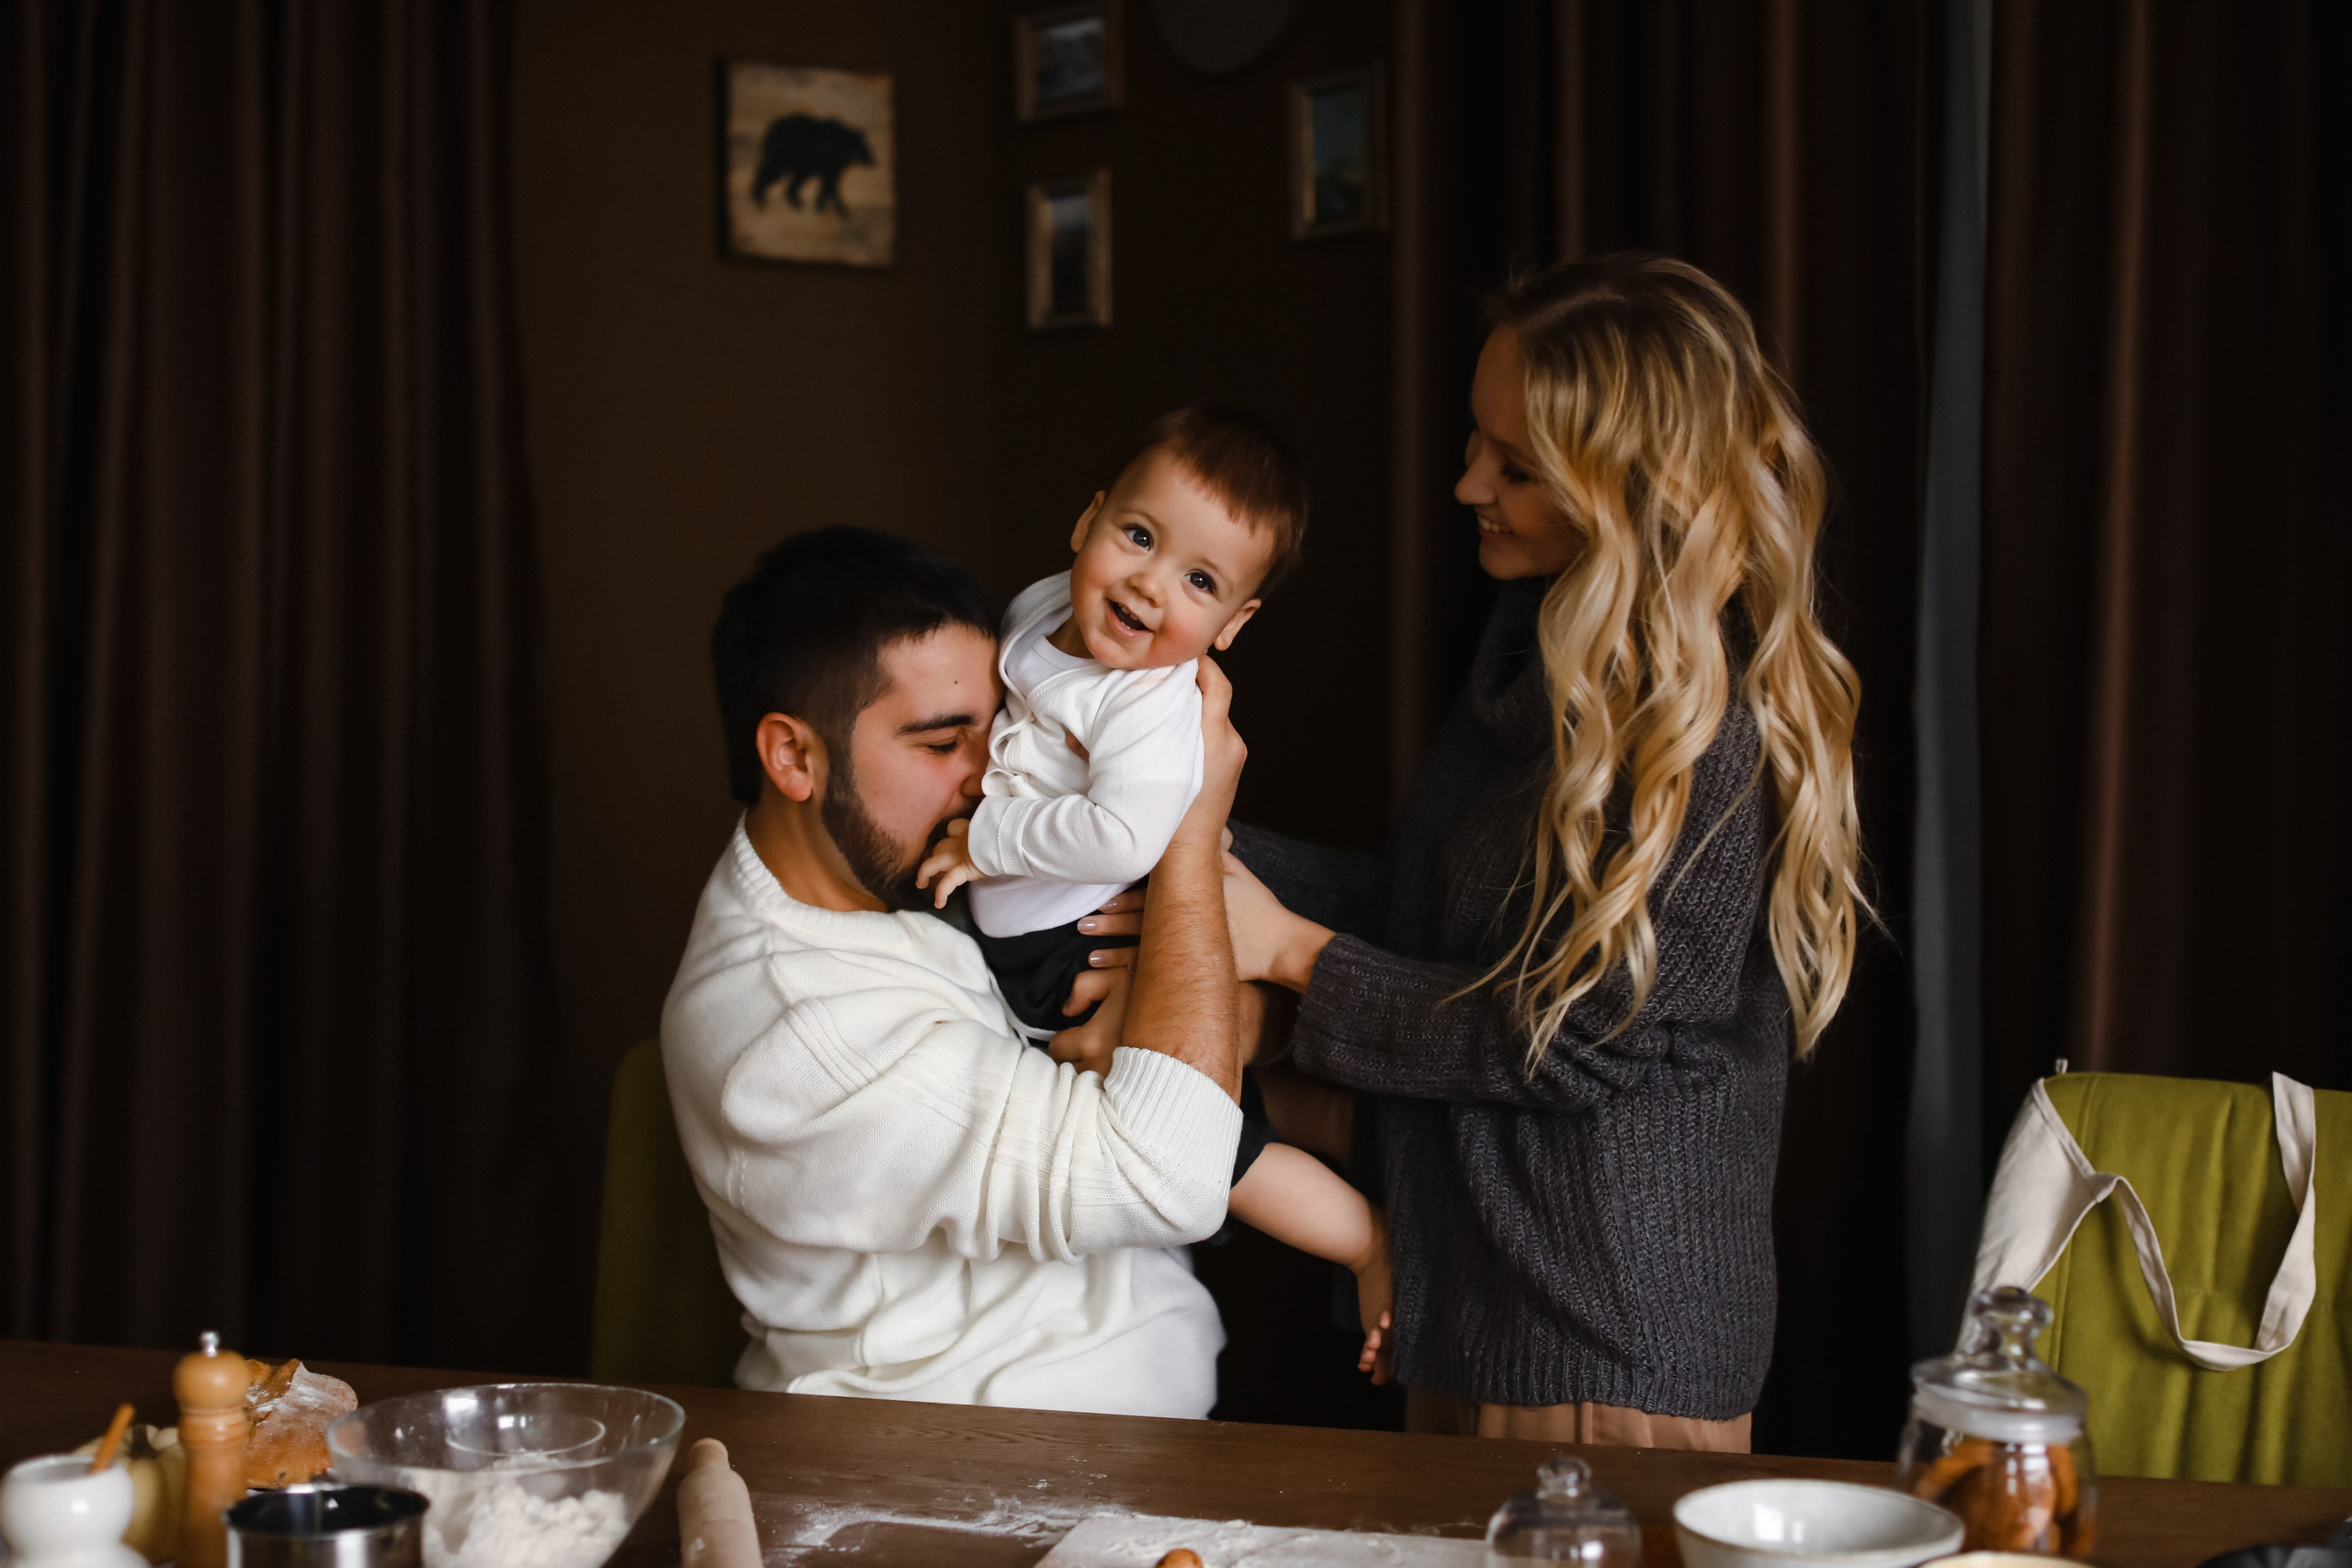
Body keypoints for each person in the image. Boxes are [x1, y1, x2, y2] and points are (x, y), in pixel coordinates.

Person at [1107, 254, 1865, 1445]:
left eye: (1514, 466)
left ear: (1629, 488)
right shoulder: (1538, 644)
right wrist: (1165, 829)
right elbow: (1437, 910)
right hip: (1477, 1290)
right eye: (1477, 440)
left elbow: (1573, 1033)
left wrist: (1296, 952)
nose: (1468, 482)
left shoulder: (1709, 733)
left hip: (1603, 1340)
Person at [659, 527, 1250, 1417]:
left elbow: (1218, 1035)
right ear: (793, 757)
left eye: (998, 729)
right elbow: (1172, 1176)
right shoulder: (801, 1032)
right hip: (966, 1461)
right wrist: (1190, 831)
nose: (995, 777)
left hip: (1126, 1433)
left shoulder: (902, 868)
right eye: (942, 744)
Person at [917, 408, 1393, 1380]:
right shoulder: (1042, 609)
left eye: (1199, 582)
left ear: (1232, 626)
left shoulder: (1146, 704)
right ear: (1088, 521)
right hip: (1029, 931)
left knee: (1216, 1148)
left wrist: (986, 837)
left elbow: (1124, 832)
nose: (1148, 582)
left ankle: (1367, 1239)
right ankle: (1356, 1125)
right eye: (1138, 536)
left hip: (1078, 951)